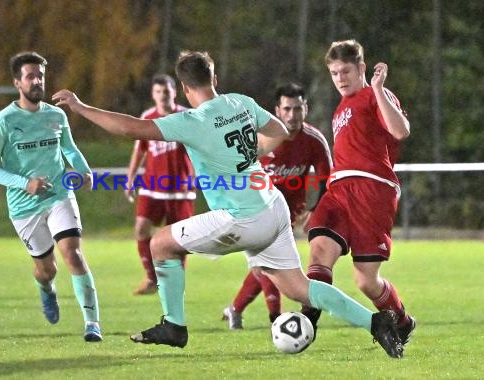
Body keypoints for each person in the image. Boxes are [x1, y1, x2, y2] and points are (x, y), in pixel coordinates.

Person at [53, 50, 404, 358]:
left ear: (187, 90)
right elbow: (281, 130)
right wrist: (251, 153)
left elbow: (130, 129)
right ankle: (376, 323)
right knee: (299, 288)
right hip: (273, 207)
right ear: (215, 79)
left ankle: (174, 326)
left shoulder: (193, 120)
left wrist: (80, 107)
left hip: (242, 217)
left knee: (160, 244)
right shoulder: (240, 101)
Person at [301, 39, 416, 346]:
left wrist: (378, 89)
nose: (340, 78)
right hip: (339, 189)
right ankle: (306, 323)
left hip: (371, 189)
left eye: (346, 71)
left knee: (366, 280)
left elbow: (401, 130)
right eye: (335, 72)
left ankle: (402, 322)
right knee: (319, 250)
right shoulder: (341, 108)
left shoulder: (374, 95)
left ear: (361, 68)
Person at [0, 52, 102, 342]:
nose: (37, 81)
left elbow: (70, 149)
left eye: (41, 76)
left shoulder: (56, 114)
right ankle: (46, 289)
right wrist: (25, 184)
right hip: (25, 206)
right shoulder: (3, 122)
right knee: (46, 270)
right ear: (17, 83)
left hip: (60, 194)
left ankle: (92, 324)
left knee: (73, 254)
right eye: (30, 77)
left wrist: (85, 171)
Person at [222, 82, 332, 329]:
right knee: (268, 264)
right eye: (287, 109)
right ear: (277, 110)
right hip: (255, 209)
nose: (293, 115)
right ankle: (276, 319)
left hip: (288, 214)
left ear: (306, 108)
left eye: (298, 109)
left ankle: (235, 309)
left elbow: (327, 179)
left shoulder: (313, 140)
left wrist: (315, 209)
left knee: (267, 266)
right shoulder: (261, 138)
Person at [125, 74, 195, 296]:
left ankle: (177, 283)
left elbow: (199, 148)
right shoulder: (148, 117)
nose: (163, 95)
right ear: (153, 95)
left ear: (175, 92)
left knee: (180, 240)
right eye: (158, 92)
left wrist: (199, 176)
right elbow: (140, 150)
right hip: (152, 186)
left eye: (166, 91)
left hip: (180, 189)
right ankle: (151, 278)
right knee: (141, 228)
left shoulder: (187, 117)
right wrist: (130, 177)